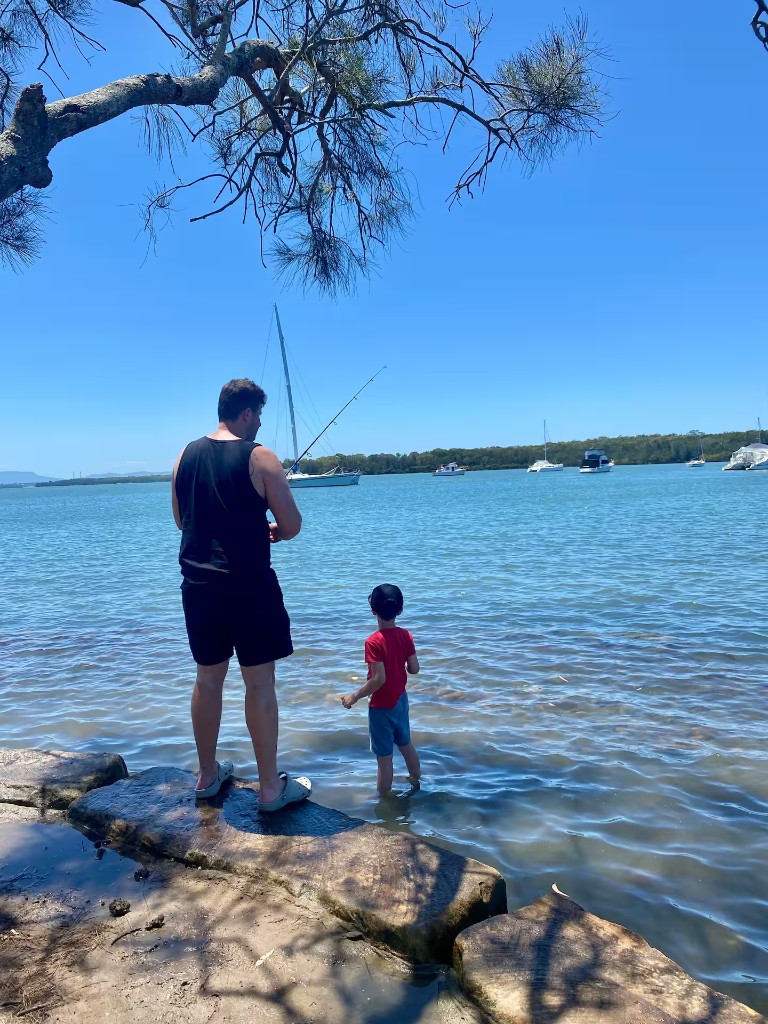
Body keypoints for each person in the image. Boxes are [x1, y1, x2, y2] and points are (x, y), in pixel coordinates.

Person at [172, 378, 311, 811]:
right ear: (247, 414)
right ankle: (270, 788)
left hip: (198, 587)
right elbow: (291, 525)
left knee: (207, 679)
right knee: (259, 681)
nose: (259, 425)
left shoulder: (183, 456)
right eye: (259, 416)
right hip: (249, 586)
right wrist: (270, 530)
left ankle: (207, 775)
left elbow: (182, 521)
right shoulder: (261, 458)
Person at [340, 584, 421, 795]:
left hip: (381, 706)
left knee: (384, 759)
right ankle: (416, 781)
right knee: (406, 745)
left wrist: (354, 696)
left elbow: (378, 679)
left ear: (372, 610)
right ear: (400, 610)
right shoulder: (406, 636)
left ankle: (384, 802)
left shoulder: (373, 642)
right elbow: (414, 669)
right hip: (401, 701)